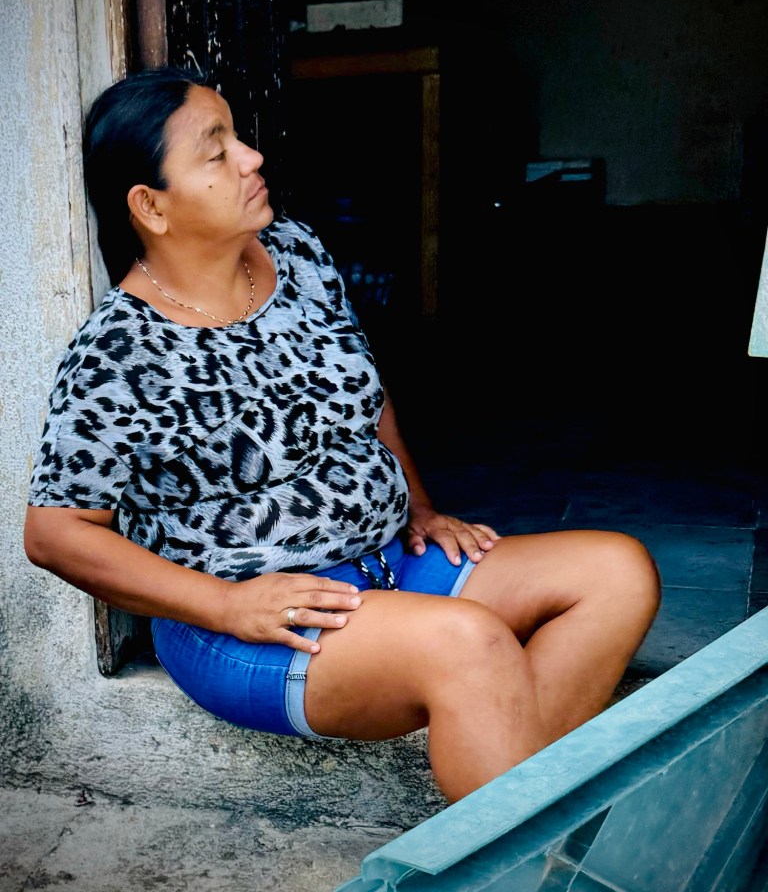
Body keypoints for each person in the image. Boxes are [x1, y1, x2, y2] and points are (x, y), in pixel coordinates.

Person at [24, 65, 661, 805]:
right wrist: (227, 606)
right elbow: (55, 533)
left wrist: (418, 505)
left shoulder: (294, 253)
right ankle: (521, 836)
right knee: (468, 642)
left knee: (615, 573)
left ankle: (505, 816)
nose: (252, 158)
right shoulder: (120, 351)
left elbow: (361, 391)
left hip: (386, 565)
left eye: (239, 137)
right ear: (151, 206)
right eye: (216, 151)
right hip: (256, 625)